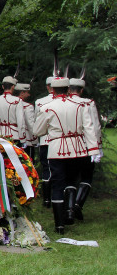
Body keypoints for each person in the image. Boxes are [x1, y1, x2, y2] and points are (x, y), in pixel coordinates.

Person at [33, 76, 99, 234]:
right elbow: (89, 128)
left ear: (52, 89)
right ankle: (70, 211)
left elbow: (37, 131)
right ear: (68, 89)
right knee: (72, 181)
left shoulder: (47, 107)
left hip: (56, 150)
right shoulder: (80, 105)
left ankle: (59, 225)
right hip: (78, 149)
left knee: (57, 185)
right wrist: (94, 150)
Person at [67, 75, 103, 220]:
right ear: (81, 90)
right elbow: (95, 126)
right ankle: (78, 204)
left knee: (70, 178)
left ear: (69, 90)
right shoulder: (88, 103)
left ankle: (69, 209)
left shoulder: (62, 102)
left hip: (67, 146)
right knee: (87, 176)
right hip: (86, 144)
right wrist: (97, 146)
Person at [35, 76, 55, 208]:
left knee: (46, 167)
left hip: (45, 139)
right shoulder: (67, 101)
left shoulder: (40, 102)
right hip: (59, 140)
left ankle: (47, 199)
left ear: (48, 86)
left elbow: (38, 123)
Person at [0, 76, 26, 143]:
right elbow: (20, 121)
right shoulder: (18, 100)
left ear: (3, 87)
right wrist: (22, 138)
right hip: (14, 135)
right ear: (13, 87)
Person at [14, 82, 36, 161]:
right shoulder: (28, 106)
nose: (29, 95)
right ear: (22, 93)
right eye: (27, 92)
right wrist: (35, 140)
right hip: (26, 140)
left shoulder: (10, 104)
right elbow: (30, 124)